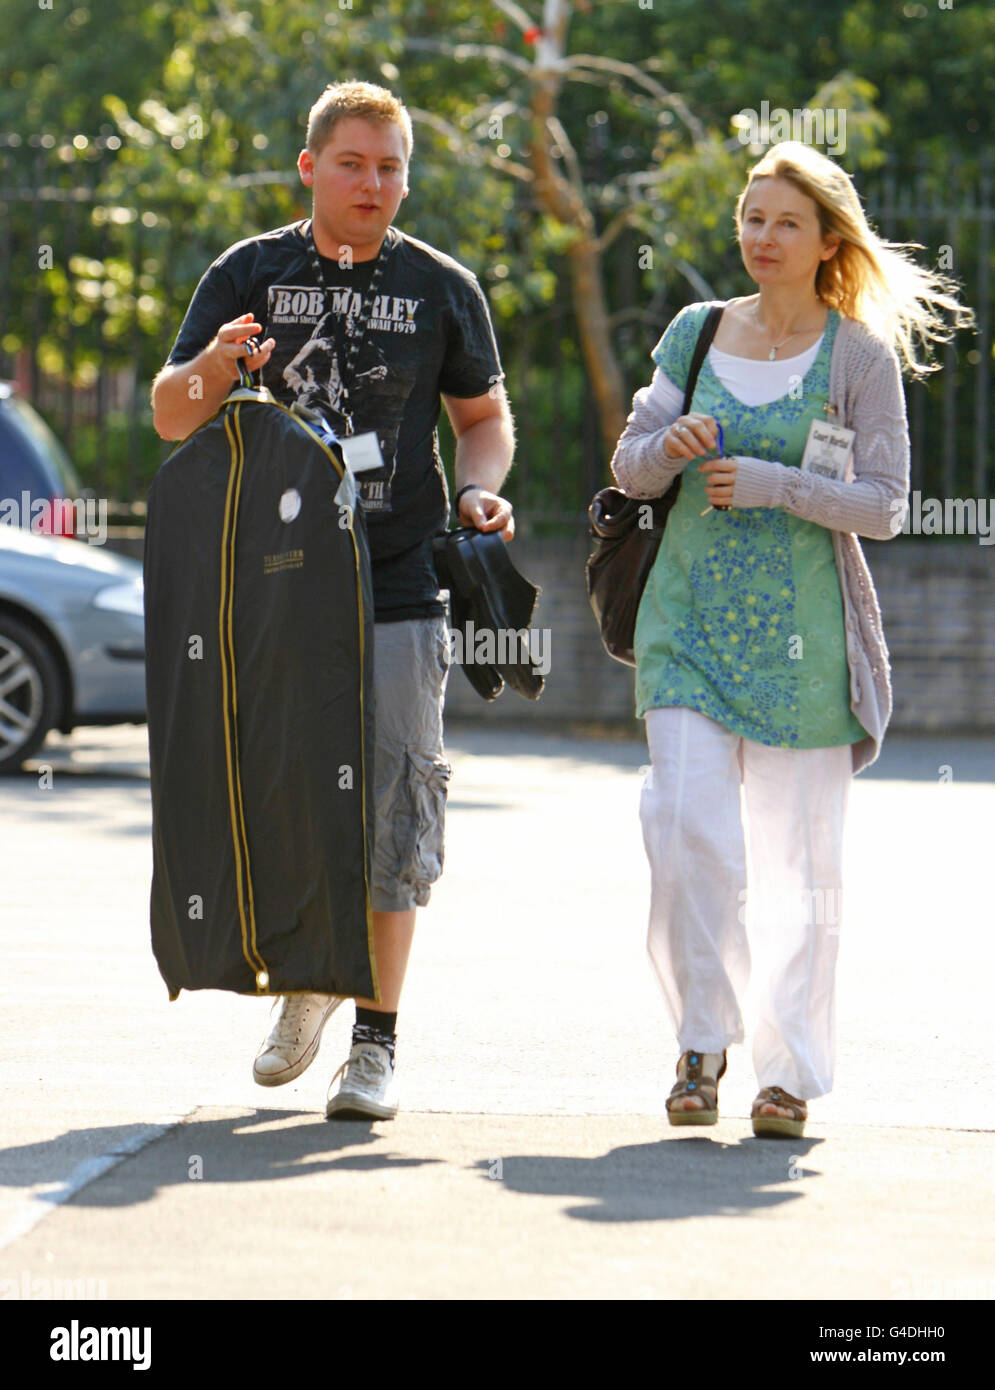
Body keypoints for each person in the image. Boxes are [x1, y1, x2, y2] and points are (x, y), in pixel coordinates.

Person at [152, 81, 515, 1120]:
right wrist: (218, 364)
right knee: (286, 794)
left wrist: (484, 484)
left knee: (396, 804)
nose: (373, 183)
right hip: (275, 587)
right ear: (308, 168)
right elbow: (173, 416)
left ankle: (375, 1042)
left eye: (391, 165)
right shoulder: (251, 271)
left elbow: (482, 419)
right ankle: (308, 980)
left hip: (399, 581)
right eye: (352, 163)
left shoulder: (441, 286)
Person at [610, 141, 970, 1137]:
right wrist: (664, 448)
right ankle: (700, 1038)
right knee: (685, 829)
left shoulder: (854, 356)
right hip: (684, 624)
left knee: (798, 871)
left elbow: (886, 506)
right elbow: (630, 464)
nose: (759, 237)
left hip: (806, 642)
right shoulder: (692, 333)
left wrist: (777, 487)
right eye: (750, 218)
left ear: (824, 242)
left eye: (783, 223)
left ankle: (787, 1075)